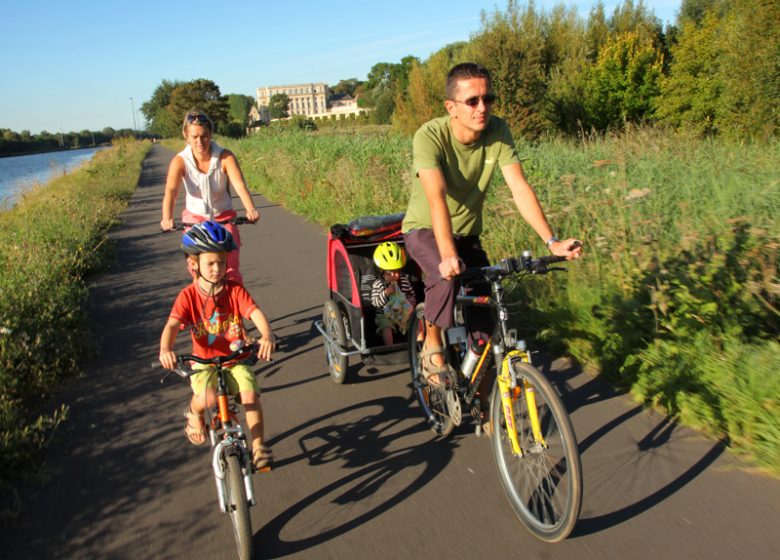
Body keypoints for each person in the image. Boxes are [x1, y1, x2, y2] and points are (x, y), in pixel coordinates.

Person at [402, 62, 582, 388]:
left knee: (485, 317)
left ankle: (488, 403)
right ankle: (432, 342)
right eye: (472, 101)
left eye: (488, 99)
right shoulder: (429, 136)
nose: (482, 108)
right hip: (425, 231)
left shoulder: (498, 131)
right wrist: (446, 253)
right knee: (446, 278)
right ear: (451, 107)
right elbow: (436, 197)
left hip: (468, 236)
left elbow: (519, 187)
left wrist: (551, 241)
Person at [158, 221, 275, 470]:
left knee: (250, 395)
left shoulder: (234, 291)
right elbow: (171, 325)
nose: (217, 268)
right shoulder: (187, 296)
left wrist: (266, 335)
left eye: (222, 262)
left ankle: (258, 447)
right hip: (204, 364)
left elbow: (254, 313)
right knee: (208, 397)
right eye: (210, 263)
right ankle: (193, 412)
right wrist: (165, 350)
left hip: (234, 361)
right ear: (193, 264)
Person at [160, 110, 259, 284]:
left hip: (223, 217)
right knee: (198, 270)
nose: (200, 142)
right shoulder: (180, 161)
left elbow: (239, 185)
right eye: (195, 136)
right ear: (186, 136)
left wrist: (250, 209)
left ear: (211, 134)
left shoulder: (225, 157)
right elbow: (171, 191)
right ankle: (202, 305)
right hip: (194, 219)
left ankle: (236, 307)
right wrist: (166, 218)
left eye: (204, 136)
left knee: (230, 267)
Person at [369, 242, 417, 345]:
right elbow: (375, 303)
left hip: (403, 313)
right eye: (388, 273)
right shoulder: (378, 284)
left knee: (416, 324)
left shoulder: (404, 281)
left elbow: (411, 295)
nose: (393, 276)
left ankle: (420, 344)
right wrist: (385, 293)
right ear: (382, 273)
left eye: (396, 272)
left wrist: (411, 304)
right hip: (385, 315)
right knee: (386, 328)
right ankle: (390, 347)